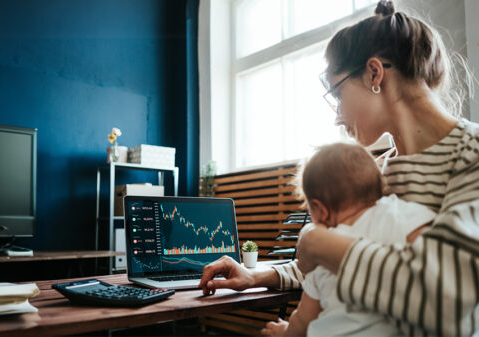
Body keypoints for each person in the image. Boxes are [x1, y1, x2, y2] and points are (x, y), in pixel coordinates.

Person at [198, 1, 479, 335]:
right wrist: (258, 276)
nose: (336, 115)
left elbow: (446, 298)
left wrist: (317, 242)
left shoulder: (470, 153)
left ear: (375, 74)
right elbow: (347, 260)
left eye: (337, 92)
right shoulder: (378, 173)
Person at [261, 142, 435, 337]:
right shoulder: (403, 214)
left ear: (320, 210)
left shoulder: (323, 250)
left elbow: (303, 320)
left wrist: (285, 332)